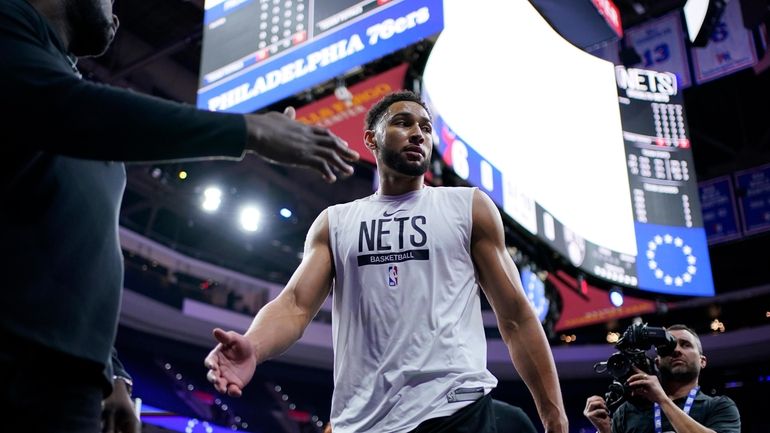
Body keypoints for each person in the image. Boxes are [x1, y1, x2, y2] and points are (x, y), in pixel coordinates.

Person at [0, 0, 358, 430]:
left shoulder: (70, 94)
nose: (117, 18)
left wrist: (110, 371)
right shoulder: (12, 29)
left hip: (69, 380)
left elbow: (73, 257)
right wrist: (247, 131)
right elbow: (64, 107)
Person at [204, 90, 568, 433]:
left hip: (457, 409)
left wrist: (554, 418)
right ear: (371, 139)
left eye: (425, 127)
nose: (417, 134)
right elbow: (296, 305)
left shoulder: (468, 207)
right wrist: (255, 344)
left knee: (515, 423)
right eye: (403, 123)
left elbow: (517, 318)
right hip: (363, 421)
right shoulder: (336, 222)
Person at [583, 324, 741, 433]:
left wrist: (663, 400)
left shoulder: (719, 406)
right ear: (657, 362)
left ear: (702, 361)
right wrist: (605, 430)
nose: (676, 351)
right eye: (668, 347)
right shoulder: (627, 412)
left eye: (685, 344)